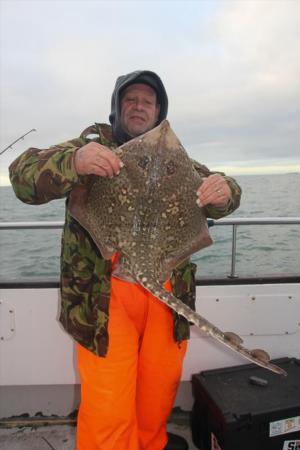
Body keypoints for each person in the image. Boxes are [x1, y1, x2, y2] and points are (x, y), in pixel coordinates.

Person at [9, 70, 241, 450]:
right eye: (130, 99)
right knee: (108, 408)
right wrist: (76, 162)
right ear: (117, 108)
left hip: (167, 295)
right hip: (105, 301)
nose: (138, 106)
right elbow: (21, 176)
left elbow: (229, 192)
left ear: (159, 112)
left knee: (156, 397)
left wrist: (224, 191)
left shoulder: (175, 159)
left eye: (147, 101)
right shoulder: (91, 147)